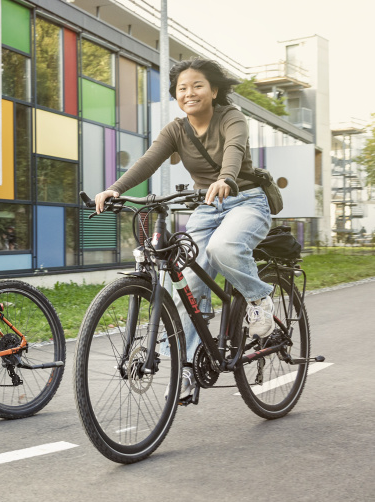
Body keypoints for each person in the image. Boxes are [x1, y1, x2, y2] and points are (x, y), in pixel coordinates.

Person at [93, 58, 275, 400]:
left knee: (223, 249)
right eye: (182, 88)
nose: (189, 93)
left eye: (197, 86)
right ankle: (190, 367)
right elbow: (148, 160)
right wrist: (115, 188)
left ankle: (258, 298)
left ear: (214, 90)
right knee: (188, 284)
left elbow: (234, 149)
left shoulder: (231, 117)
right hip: (206, 206)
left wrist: (225, 178)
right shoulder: (176, 130)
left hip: (246, 199)